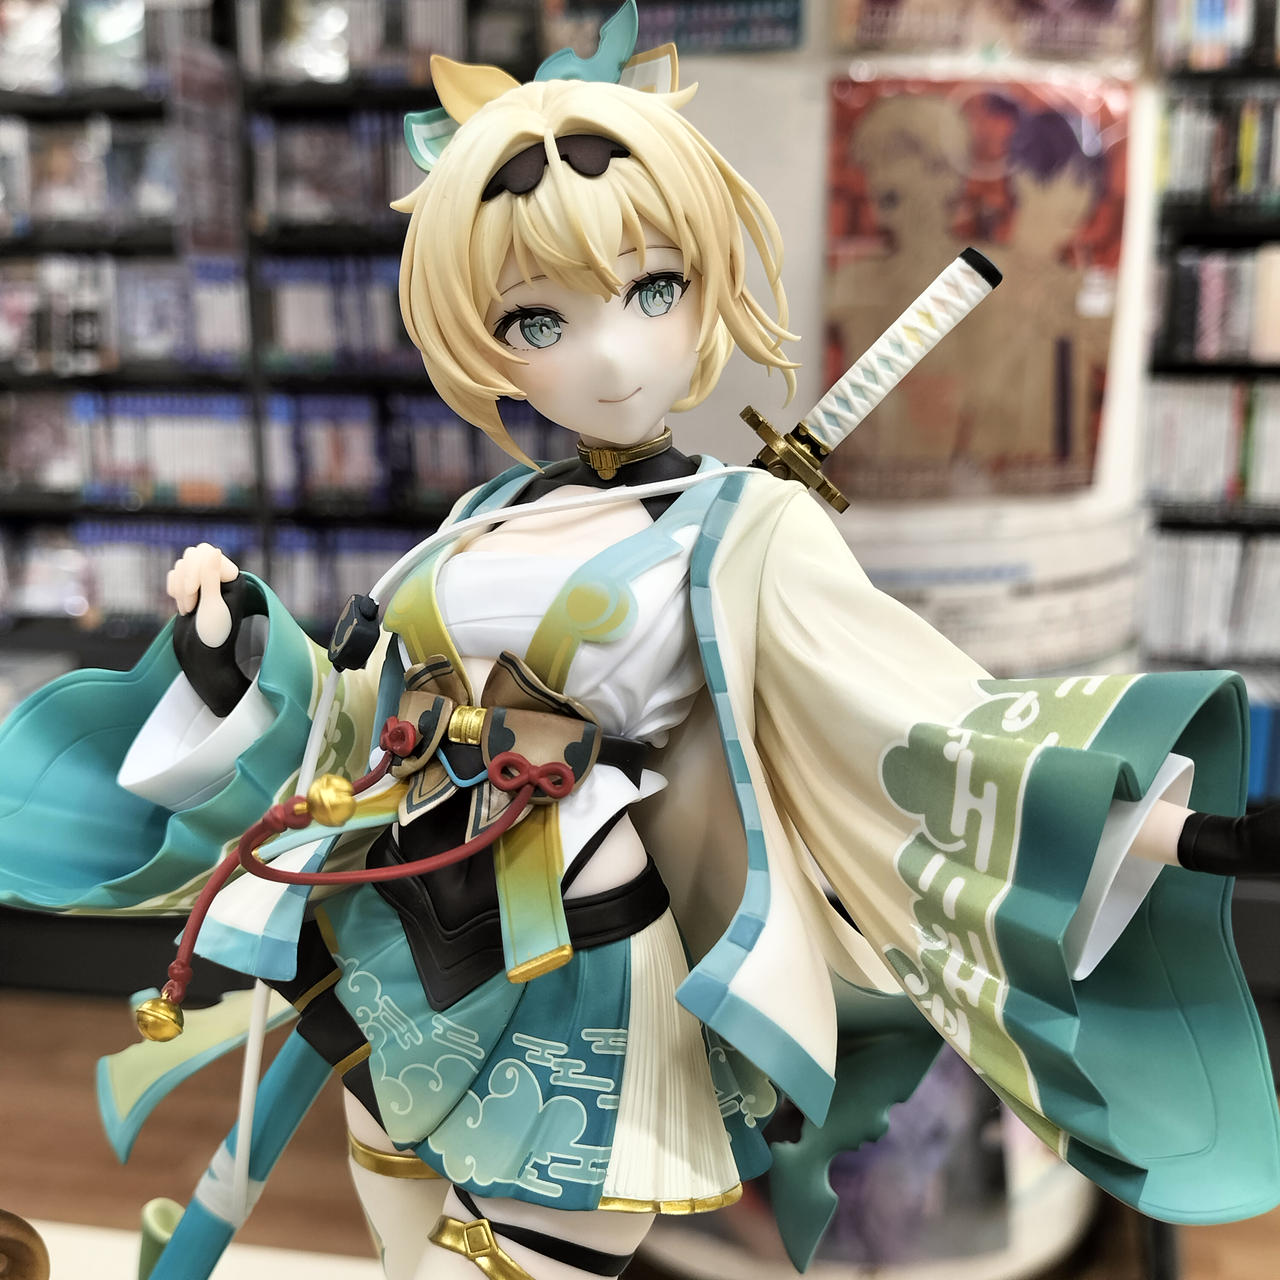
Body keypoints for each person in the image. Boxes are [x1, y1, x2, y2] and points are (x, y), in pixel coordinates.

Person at [2, 6, 1279, 1279]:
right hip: (395, 920)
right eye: (536, 320)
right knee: (398, 1232)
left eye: (652, 288)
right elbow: (361, 710)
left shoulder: (744, 523)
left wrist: (1178, 832)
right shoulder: (480, 511)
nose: (610, 352)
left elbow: (920, 727)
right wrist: (242, 654)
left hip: (573, 948)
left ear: (705, 287)